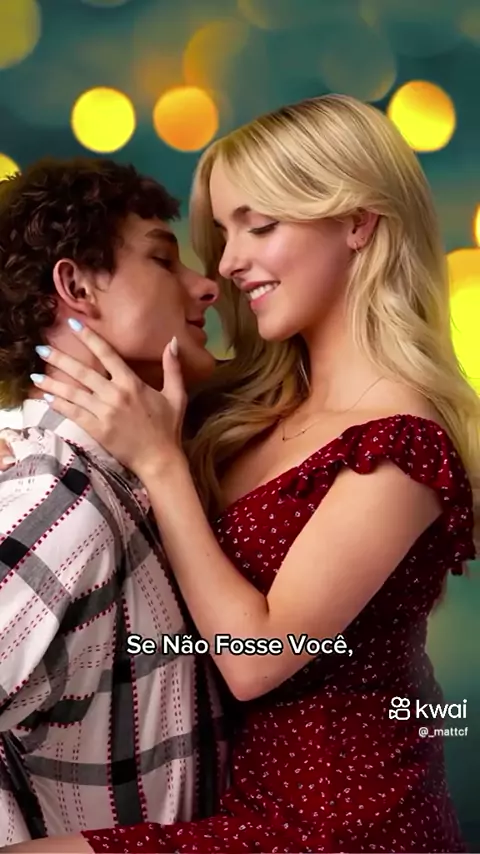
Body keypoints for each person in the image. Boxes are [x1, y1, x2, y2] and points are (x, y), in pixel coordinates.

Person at [1, 94, 479, 854]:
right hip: (229, 797)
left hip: (339, 826)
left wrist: (164, 464)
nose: (223, 266)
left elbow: (257, 660)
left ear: (357, 223)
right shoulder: (244, 405)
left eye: (259, 226)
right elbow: (85, 418)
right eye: (223, 234)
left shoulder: (402, 445)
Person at [0, 158, 229, 847]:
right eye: (162, 259)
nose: (207, 285)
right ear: (75, 286)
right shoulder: (58, 501)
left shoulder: (125, 476)